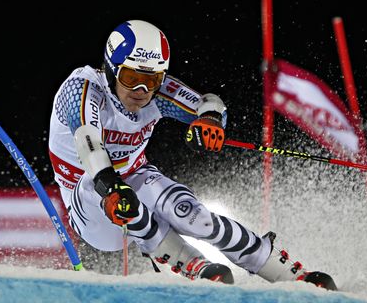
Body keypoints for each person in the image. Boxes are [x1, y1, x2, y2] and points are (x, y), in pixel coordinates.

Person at [47, 19, 336, 289]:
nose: (141, 90)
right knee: (116, 192)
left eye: (152, 80)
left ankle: (285, 272)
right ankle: (187, 262)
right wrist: (110, 186)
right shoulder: (82, 89)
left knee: (189, 213)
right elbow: (88, 140)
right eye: (132, 76)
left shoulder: (156, 93)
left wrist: (209, 122)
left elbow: (208, 103)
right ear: (111, 69)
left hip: (134, 176)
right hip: (87, 198)